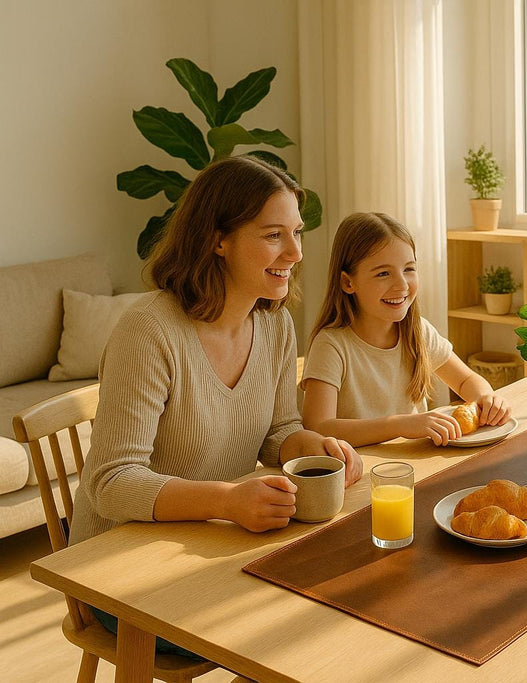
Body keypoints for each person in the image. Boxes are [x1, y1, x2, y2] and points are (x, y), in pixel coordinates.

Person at [69, 155, 364, 657]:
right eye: (273, 235)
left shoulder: (273, 324)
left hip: (212, 546)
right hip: (116, 572)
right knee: (297, 623)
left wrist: (314, 446)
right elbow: (111, 483)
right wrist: (227, 501)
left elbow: (277, 430)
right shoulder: (149, 332)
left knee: (341, 595)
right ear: (217, 239)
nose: (295, 252)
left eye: (296, 233)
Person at [301, 212, 511, 447]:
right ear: (348, 282)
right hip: (360, 466)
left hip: (416, 462)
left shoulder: (418, 332)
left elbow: (465, 380)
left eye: (409, 269)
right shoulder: (331, 345)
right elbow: (318, 427)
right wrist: (399, 425)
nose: (401, 284)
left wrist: (486, 398)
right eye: (383, 273)